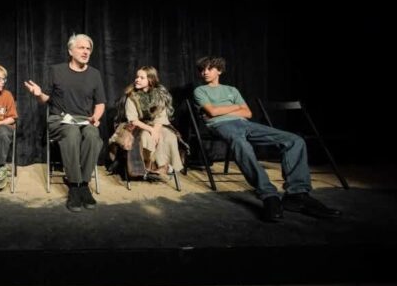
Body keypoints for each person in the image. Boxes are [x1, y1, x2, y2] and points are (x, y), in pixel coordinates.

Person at [193, 56, 341, 221]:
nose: (205, 72)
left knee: (294, 140)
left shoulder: (232, 90)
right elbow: (213, 113)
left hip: (245, 124)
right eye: (202, 69)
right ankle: (269, 195)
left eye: (209, 68)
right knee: (240, 144)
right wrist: (235, 107)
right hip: (221, 126)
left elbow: (247, 113)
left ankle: (297, 195)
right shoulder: (200, 91)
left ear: (219, 70)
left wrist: (223, 109)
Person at [25, 33, 106, 212]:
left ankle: (84, 184)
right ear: (71, 50)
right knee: (71, 133)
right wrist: (38, 93)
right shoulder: (57, 70)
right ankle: (75, 187)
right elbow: (46, 99)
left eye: (88, 48)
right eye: (81, 47)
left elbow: (100, 103)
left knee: (93, 134)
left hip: (84, 121)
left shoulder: (94, 74)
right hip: (59, 120)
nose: (85, 51)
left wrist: (96, 117)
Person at [110, 66, 185, 182]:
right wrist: (151, 131)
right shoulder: (132, 97)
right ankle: (146, 167)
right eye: (137, 77)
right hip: (136, 125)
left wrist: (156, 130)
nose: (137, 80)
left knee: (169, 136)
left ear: (150, 80)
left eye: (141, 77)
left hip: (155, 124)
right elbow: (133, 119)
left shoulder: (160, 95)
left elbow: (161, 117)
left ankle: (162, 167)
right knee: (145, 136)